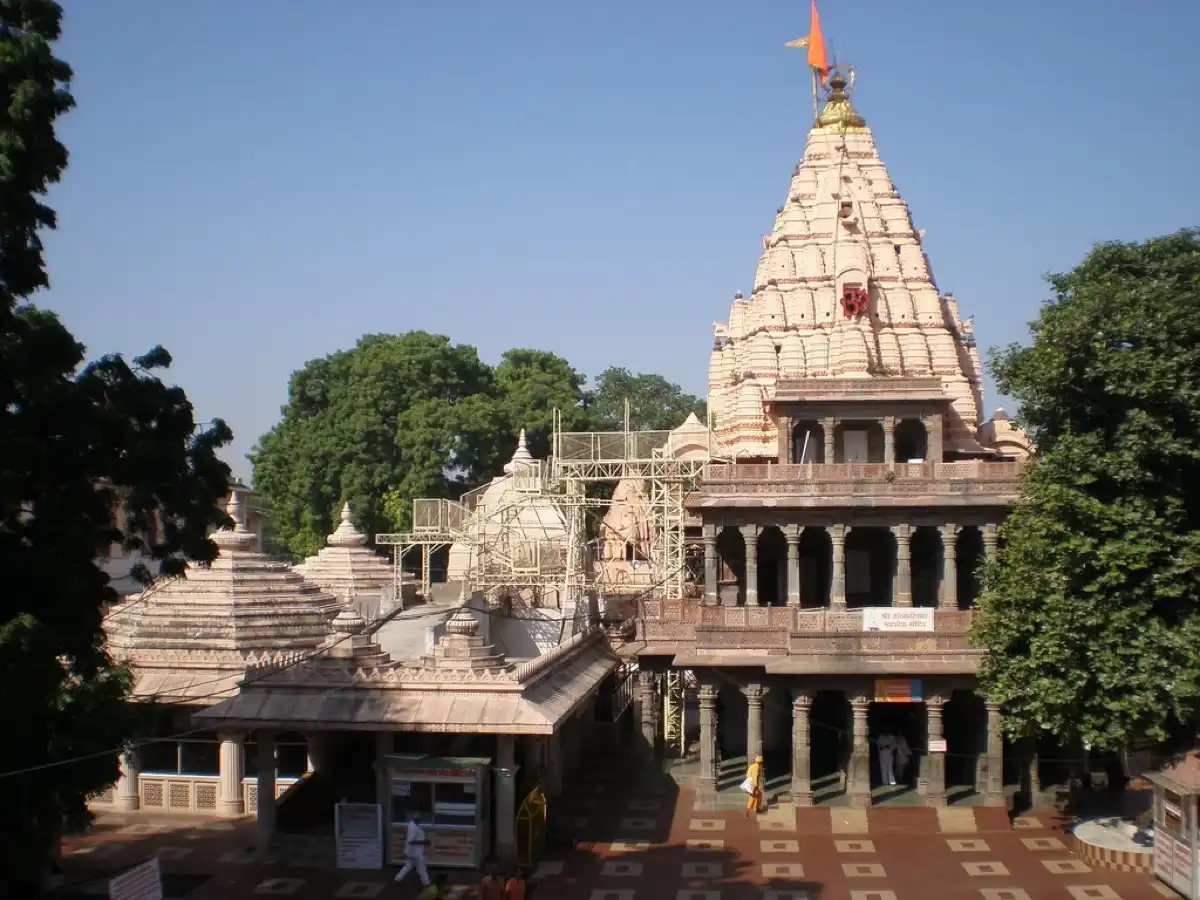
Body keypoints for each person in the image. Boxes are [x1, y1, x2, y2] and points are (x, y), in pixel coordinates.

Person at [394, 809, 432, 887]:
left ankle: (397, 878)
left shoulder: (414, 825)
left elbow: (416, 838)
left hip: (413, 852)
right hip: (415, 852)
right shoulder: (412, 827)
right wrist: (424, 842)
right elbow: (411, 841)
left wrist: (424, 840)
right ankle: (427, 884)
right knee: (422, 869)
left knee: (408, 865)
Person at [742, 754, 765, 818]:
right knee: (752, 799)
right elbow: (755, 778)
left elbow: (747, 775)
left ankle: (757, 809)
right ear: (760, 762)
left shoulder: (752, 766)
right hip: (753, 786)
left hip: (752, 785)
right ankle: (746, 813)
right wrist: (754, 788)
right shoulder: (756, 767)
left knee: (759, 795)